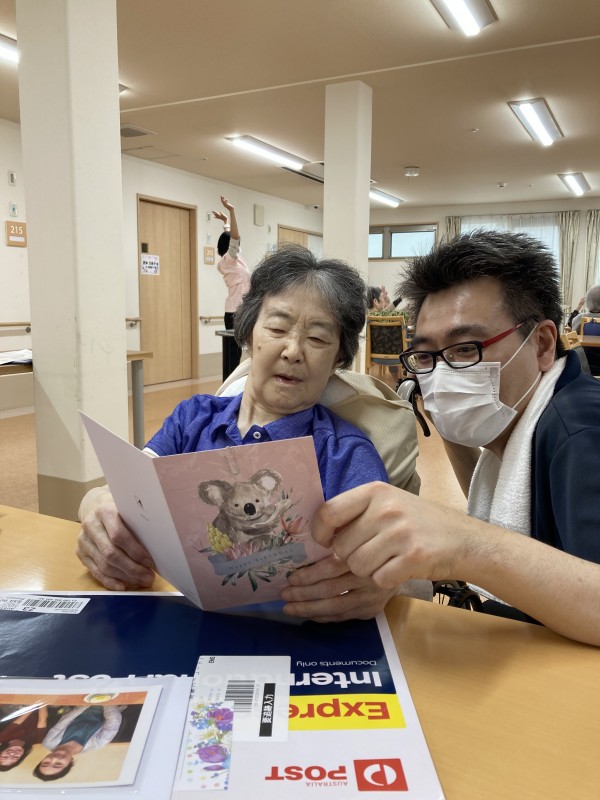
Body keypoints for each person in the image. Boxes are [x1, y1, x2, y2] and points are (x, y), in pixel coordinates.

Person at [77, 244, 403, 622]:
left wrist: (386, 581)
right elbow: (125, 492)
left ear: (338, 360)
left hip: (298, 631)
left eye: (317, 338)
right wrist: (94, 505)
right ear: (248, 334)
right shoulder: (193, 419)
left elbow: (388, 555)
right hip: (177, 618)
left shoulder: (344, 453)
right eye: (277, 328)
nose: (293, 351)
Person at [307, 230, 600, 646]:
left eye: (466, 349)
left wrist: (464, 545)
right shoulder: (523, 420)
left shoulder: (580, 431)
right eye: (426, 355)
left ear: (541, 344)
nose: (443, 375)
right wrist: (451, 427)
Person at [212, 196, 251, 379]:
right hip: (235, 311)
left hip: (236, 310)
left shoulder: (235, 259)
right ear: (229, 247)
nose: (238, 246)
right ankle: (229, 387)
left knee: (233, 353)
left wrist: (226, 221)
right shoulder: (229, 260)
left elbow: (231, 236)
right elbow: (234, 237)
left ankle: (227, 385)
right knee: (233, 355)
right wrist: (232, 211)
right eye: (234, 245)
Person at [33, 705, 124, 781]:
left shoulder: (49, 743)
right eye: (58, 764)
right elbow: (113, 721)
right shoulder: (96, 745)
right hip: (111, 707)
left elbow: (66, 719)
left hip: (77, 705)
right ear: (70, 764)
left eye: (46, 763)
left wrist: (86, 703)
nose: (54, 759)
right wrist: (107, 703)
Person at [0, 706, 49, 771]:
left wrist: (33, 705)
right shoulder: (37, 740)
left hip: (20, 710)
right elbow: (42, 720)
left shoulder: (2, 737)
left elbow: (19, 719)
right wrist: (41, 703)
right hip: (41, 709)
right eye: (15, 757)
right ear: (21, 757)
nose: (12, 753)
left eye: (5, 756)